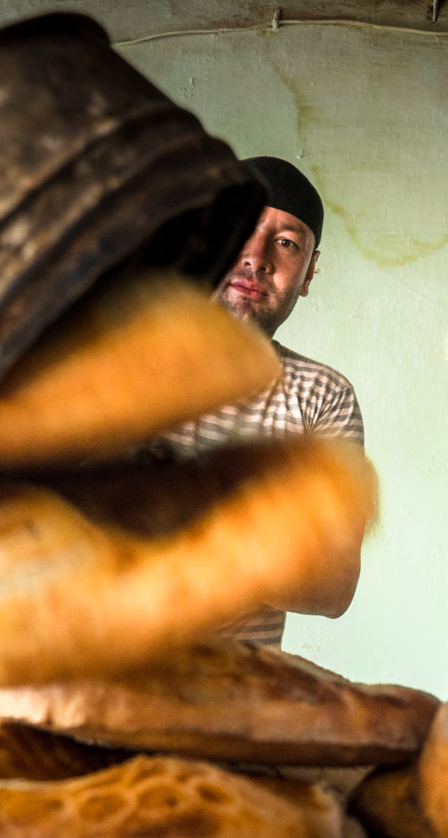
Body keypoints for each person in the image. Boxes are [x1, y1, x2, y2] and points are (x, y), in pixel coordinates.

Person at [158, 156, 366, 647]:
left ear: (310, 273)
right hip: (77, 699)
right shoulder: (106, 363)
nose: (256, 257)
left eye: (287, 242)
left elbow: (332, 585)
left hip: (230, 709)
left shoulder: (323, 397)